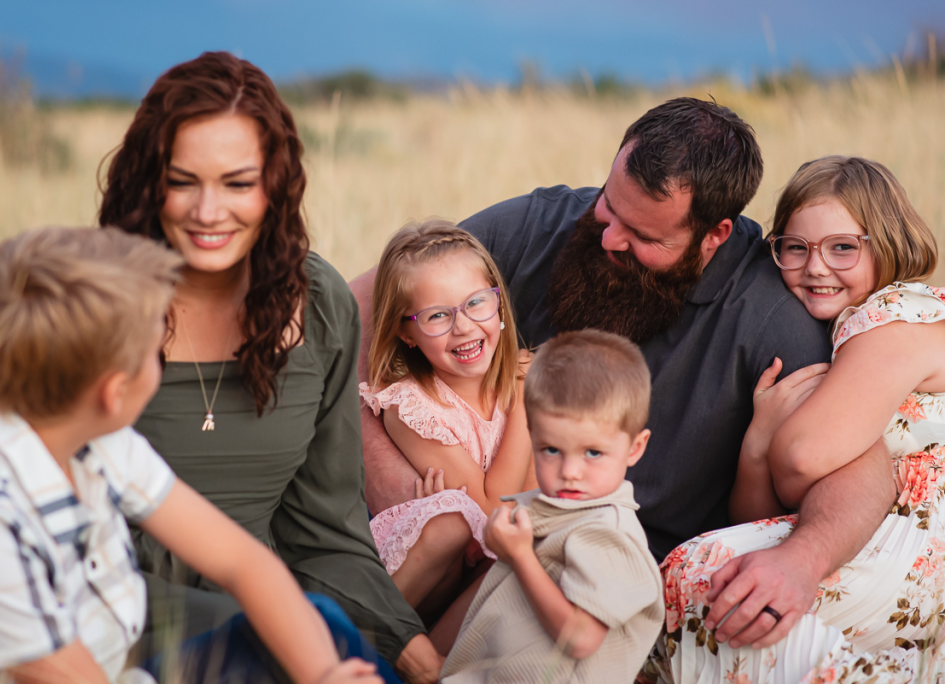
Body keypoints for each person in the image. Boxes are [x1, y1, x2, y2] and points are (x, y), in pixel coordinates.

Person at [353, 97, 895, 650]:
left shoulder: (770, 318)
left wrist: (802, 559)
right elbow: (351, 311)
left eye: (643, 236)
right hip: (443, 542)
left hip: (582, 583)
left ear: (714, 234)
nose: (610, 237)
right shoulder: (540, 223)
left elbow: (859, 464)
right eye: (610, 206)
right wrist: (394, 478)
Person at [97, 52, 439, 683]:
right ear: (148, 182)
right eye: (183, 181)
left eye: (237, 183)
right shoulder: (90, 305)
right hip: (115, 611)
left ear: (275, 185)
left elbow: (324, 533)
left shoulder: (320, 303)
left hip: (274, 604)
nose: (208, 211)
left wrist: (420, 659)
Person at [0, 227, 383, 684]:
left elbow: (241, 561)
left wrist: (324, 675)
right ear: (114, 391)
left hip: (122, 663)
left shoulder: (80, 425)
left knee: (317, 624)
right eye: (158, 347)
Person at [650, 156, 943, 684]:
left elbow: (803, 457)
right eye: (795, 247)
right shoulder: (831, 338)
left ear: (889, 243)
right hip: (877, 530)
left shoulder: (893, 316)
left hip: (921, 540)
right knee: (718, 579)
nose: (816, 267)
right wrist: (759, 439)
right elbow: (756, 515)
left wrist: (781, 446)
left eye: (842, 247)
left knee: (706, 576)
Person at [441, 330, 664, 683]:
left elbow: (579, 638)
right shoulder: (561, 511)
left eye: (593, 452)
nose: (569, 472)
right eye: (551, 450)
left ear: (635, 448)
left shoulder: (609, 535)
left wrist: (521, 556)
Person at [361, 220, 535, 621]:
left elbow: (533, 509)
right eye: (437, 315)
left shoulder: (526, 373)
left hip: (493, 571)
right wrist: (528, 401)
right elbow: (493, 514)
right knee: (454, 521)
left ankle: (436, 657)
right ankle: (360, 637)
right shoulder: (411, 407)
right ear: (407, 333)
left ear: (498, 303)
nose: (464, 326)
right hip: (426, 582)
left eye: (476, 302)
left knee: (530, 551)